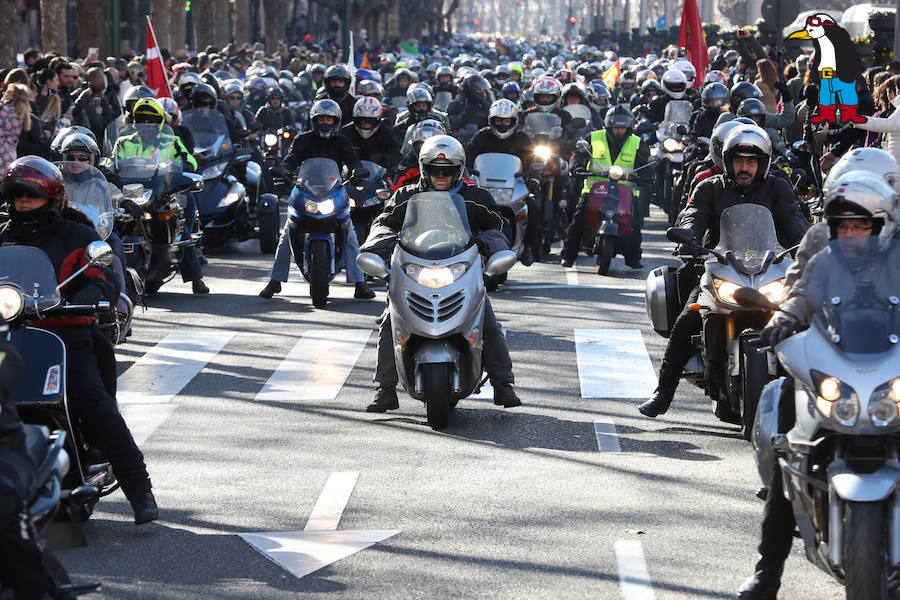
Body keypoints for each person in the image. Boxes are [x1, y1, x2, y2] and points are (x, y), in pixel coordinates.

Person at [737, 169, 899, 600]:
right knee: (793, 451)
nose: (850, 232)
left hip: (888, 367)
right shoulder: (822, 249)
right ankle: (767, 571)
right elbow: (802, 292)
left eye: (860, 224)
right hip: (833, 364)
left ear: (882, 221)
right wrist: (783, 320)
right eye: (843, 223)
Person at [0, 156, 157, 524]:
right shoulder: (4, 237)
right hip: (9, 336)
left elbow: (103, 275)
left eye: (31, 196)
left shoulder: (79, 235)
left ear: (52, 198)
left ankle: (140, 489)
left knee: (93, 404)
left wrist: (94, 293)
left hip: (64, 333)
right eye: (17, 196)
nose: (22, 203)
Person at [638, 124, 808, 418]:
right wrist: (689, 235)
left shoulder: (777, 187)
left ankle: (809, 391)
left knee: (804, 318)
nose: (745, 167)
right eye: (739, 160)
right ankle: (663, 392)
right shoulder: (709, 188)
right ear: (727, 161)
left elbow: (793, 220)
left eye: (751, 161)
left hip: (768, 270)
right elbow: (693, 215)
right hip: (718, 268)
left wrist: (807, 242)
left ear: (763, 162)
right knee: (686, 322)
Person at [361, 135, 522, 412]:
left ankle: (502, 383)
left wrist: (489, 244)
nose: (441, 175)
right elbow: (384, 222)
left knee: (487, 321)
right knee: (391, 320)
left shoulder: (475, 196)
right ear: (424, 169)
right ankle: (385, 389)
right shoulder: (406, 195)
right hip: (414, 270)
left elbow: (497, 226)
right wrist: (378, 245)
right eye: (435, 170)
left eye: (447, 171)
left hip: (461, 271)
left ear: (459, 169)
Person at [259, 99, 373, 300]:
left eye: (329, 119)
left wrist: (356, 171)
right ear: (314, 120)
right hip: (306, 192)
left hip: (334, 192)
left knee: (351, 236)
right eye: (321, 119)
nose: (325, 123)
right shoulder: (302, 139)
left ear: (336, 121)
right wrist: (284, 170)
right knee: (286, 236)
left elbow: (352, 160)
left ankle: (359, 283)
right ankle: (275, 281)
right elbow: (291, 159)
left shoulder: (342, 141)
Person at [560, 104, 652, 269]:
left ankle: (633, 256)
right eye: (615, 128)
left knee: (636, 220)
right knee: (578, 218)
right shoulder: (594, 138)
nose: (619, 131)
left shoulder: (637, 142)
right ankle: (568, 255)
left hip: (626, 192)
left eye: (623, 128)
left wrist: (647, 175)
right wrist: (578, 167)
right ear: (609, 126)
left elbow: (644, 162)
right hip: (595, 189)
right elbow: (579, 154)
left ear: (629, 128)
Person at [466, 98, 541, 264]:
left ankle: (528, 247)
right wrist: (467, 171)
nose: (503, 124)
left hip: (514, 187)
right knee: (464, 206)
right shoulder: (482, 137)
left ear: (513, 121)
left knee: (533, 207)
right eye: (499, 120)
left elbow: (534, 160)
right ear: (492, 120)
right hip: (484, 186)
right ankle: (463, 245)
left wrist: (534, 177)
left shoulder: (522, 138)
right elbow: (468, 156)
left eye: (506, 120)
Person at [341, 96, 401, 174]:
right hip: (349, 176)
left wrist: (384, 160)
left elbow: (396, 157)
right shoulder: (345, 132)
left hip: (379, 177)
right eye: (362, 120)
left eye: (370, 121)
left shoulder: (387, 133)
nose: (366, 124)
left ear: (378, 119)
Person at [0, 83, 27, 169]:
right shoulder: (20, 114)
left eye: (7, 92)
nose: (4, 93)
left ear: (12, 95)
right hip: (11, 154)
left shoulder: (2, 109)